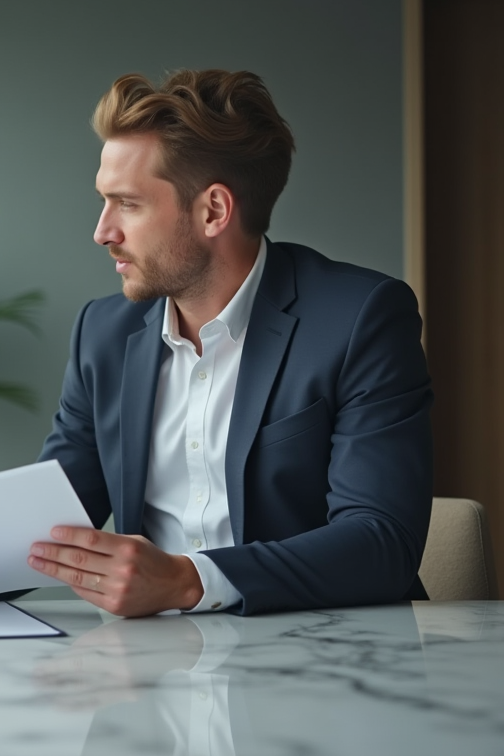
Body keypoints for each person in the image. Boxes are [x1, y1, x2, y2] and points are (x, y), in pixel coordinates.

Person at [28, 69, 433, 616]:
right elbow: (44, 524)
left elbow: (383, 541)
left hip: (324, 664)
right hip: (152, 671)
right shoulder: (103, 334)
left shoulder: (360, 318)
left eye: (127, 203)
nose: (103, 231)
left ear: (214, 210)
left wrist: (187, 580)